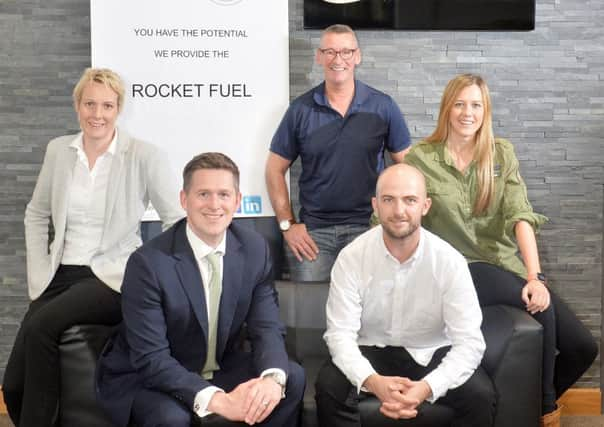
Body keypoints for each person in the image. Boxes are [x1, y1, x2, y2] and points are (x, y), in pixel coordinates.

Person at [404, 73, 598, 427]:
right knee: (538, 309)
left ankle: (519, 406)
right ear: (447, 108)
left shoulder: (501, 153)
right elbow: (399, 212)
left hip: (502, 264)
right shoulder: (421, 157)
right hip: (456, 269)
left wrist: (534, 276)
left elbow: (519, 215)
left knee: (584, 347)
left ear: (485, 110)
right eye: (460, 104)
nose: (467, 113)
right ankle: (544, 411)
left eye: (476, 105)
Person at [1, 68, 183, 427]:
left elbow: (175, 222)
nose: (97, 114)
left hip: (112, 278)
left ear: (119, 109)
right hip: (59, 273)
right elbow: (36, 214)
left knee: (42, 328)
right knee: (13, 384)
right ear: (77, 106)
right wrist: (38, 274)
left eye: (107, 105)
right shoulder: (59, 150)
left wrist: (155, 277)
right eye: (89, 104)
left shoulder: (143, 155)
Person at [96, 152, 305, 427]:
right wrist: (220, 401)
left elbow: (266, 327)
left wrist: (271, 379)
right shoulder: (147, 263)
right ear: (184, 200)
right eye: (203, 194)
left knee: (289, 378)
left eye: (223, 194)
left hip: (217, 365)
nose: (214, 204)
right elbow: (151, 358)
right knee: (171, 418)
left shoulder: (255, 250)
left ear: (238, 201)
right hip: (149, 376)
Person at [315, 163, 495, 427]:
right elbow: (339, 335)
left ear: (425, 206)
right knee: (329, 387)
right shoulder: (352, 257)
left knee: (481, 395)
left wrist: (427, 387)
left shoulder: (449, 261)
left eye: (410, 200)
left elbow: (470, 343)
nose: (399, 211)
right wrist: (373, 382)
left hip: (431, 351)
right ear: (375, 205)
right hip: (371, 349)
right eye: (389, 200)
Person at [266, 24, 411, 282]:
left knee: (373, 310)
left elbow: (408, 170)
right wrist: (287, 226)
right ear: (319, 57)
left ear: (357, 56)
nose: (338, 59)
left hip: (369, 227)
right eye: (330, 51)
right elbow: (274, 170)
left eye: (346, 52)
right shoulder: (300, 110)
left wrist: (394, 221)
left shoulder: (383, 106)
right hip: (313, 234)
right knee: (310, 314)